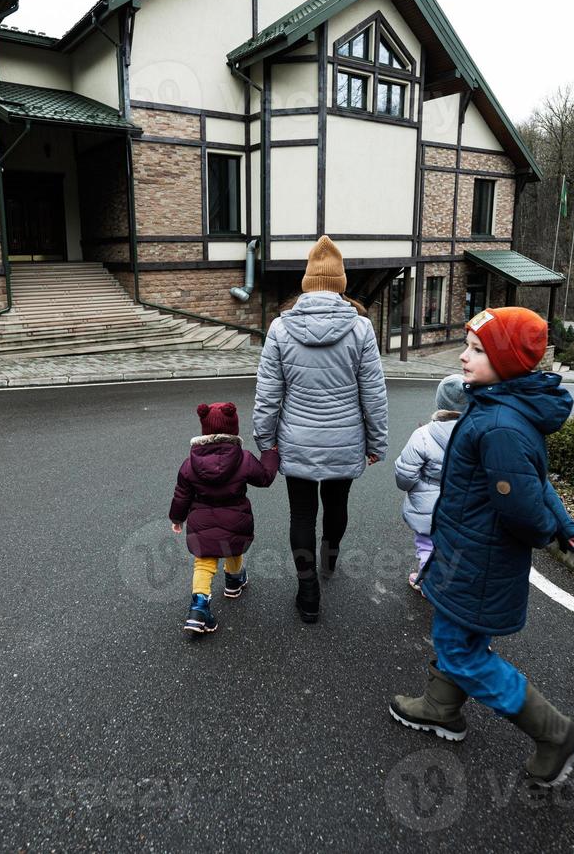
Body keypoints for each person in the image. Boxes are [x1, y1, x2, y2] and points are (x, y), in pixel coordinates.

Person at [388, 308, 574, 788]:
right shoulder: (492, 405)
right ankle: (441, 706)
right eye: (467, 345)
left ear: (505, 360)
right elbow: (536, 480)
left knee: (462, 651)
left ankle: (556, 734)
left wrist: (549, 528)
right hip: (466, 550)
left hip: (479, 561)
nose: (463, 356)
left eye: (478, 350)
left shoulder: (499, 423)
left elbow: (522, 503)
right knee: (456, 634)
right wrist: (564, 523)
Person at [253, 236, 388, 624]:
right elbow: (373, 394)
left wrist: (266, 441)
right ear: (340, 283)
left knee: (300, 515)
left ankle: (307, 590)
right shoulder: (361, 328)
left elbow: (268, 392)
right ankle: (330, 558)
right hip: (345, 441)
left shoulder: (280, 328)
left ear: (307, 282)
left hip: (296, 441)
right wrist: (376, 441)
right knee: (337, 505)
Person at [170, 402, 279, 636]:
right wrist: (271, 453)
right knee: (233, 545)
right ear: (234, 430)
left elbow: (182, 494)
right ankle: (233, 581)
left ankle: (198, 609)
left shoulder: (190, 463)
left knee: (204, 561)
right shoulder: (244, 458)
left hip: (201, 521)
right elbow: (265, 478)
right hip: (235, 518)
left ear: (204, 431)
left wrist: (177, 518)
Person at [394, 375, 465, 593]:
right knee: (455, 546)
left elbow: (404, 475)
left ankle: (428, 583)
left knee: (426, 544)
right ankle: (453, 583)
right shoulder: (475, 433)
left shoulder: (424, 434)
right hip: (461, 502)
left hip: (427, 504)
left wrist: (414, 486)